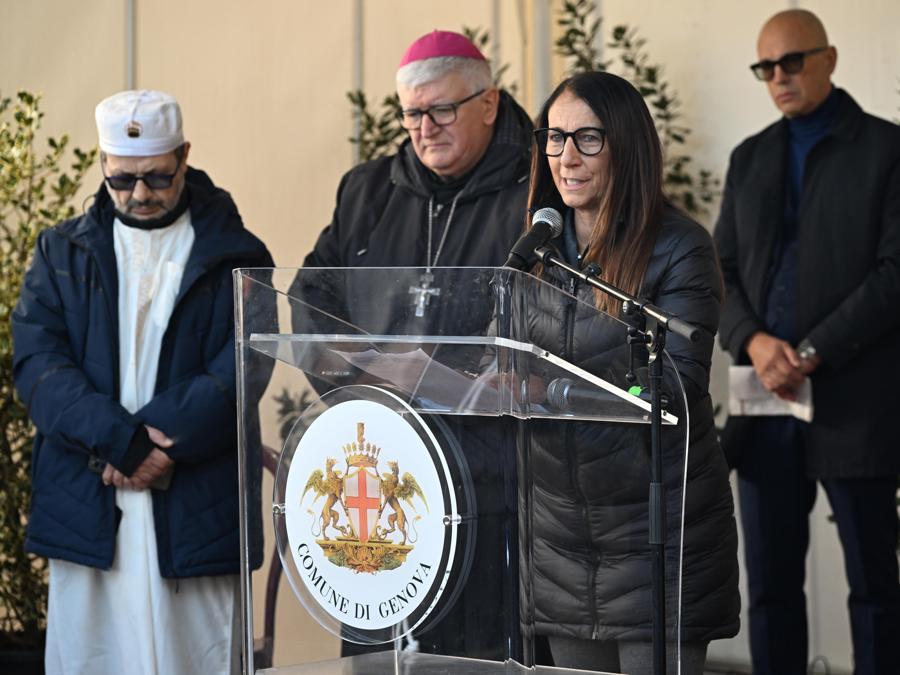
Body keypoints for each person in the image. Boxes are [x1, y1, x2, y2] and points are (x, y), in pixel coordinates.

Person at [12, 90, 273, 675]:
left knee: (194, 658)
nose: (140, 195)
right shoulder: (60, 254)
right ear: (103, 165)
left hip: (194, 504)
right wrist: (123, 445)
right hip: (90, 499)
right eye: (122, 180)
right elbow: (38, 365)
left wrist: (159, 444)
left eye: (157, 177)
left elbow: (244, 364)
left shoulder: (236, 253)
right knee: (93, 657)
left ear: (184, 155)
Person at [293, 30, 533, 661]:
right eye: (411, 113)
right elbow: (308, 300)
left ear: (489, 102)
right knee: (377, 657)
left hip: (492, 475)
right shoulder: (367, 191)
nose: (423, 129)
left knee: (477, 657)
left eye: (441, 110)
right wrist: (365, 380)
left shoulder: (540, 190)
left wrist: (463, 382)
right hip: (377, 458)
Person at [524, 71, 740, 675]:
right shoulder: (536, 250)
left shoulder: (679, 248)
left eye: (588, 138)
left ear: (627, 145)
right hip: (561, 539)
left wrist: (554, 389)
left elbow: (671, 386)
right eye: (555, 136)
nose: (566, 156)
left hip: (655, 534)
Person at [713, 9, 900, 675]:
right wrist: (754, 340)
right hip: (763, 399)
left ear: (830, 57)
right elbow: (721, 269)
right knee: (767, 588)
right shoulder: (751, 156)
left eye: (792, 62)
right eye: (766, 68)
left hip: (857, 401)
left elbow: (894, 273)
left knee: (876, 588)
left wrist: (812, 351)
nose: (779, 77)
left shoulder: (886, 149)